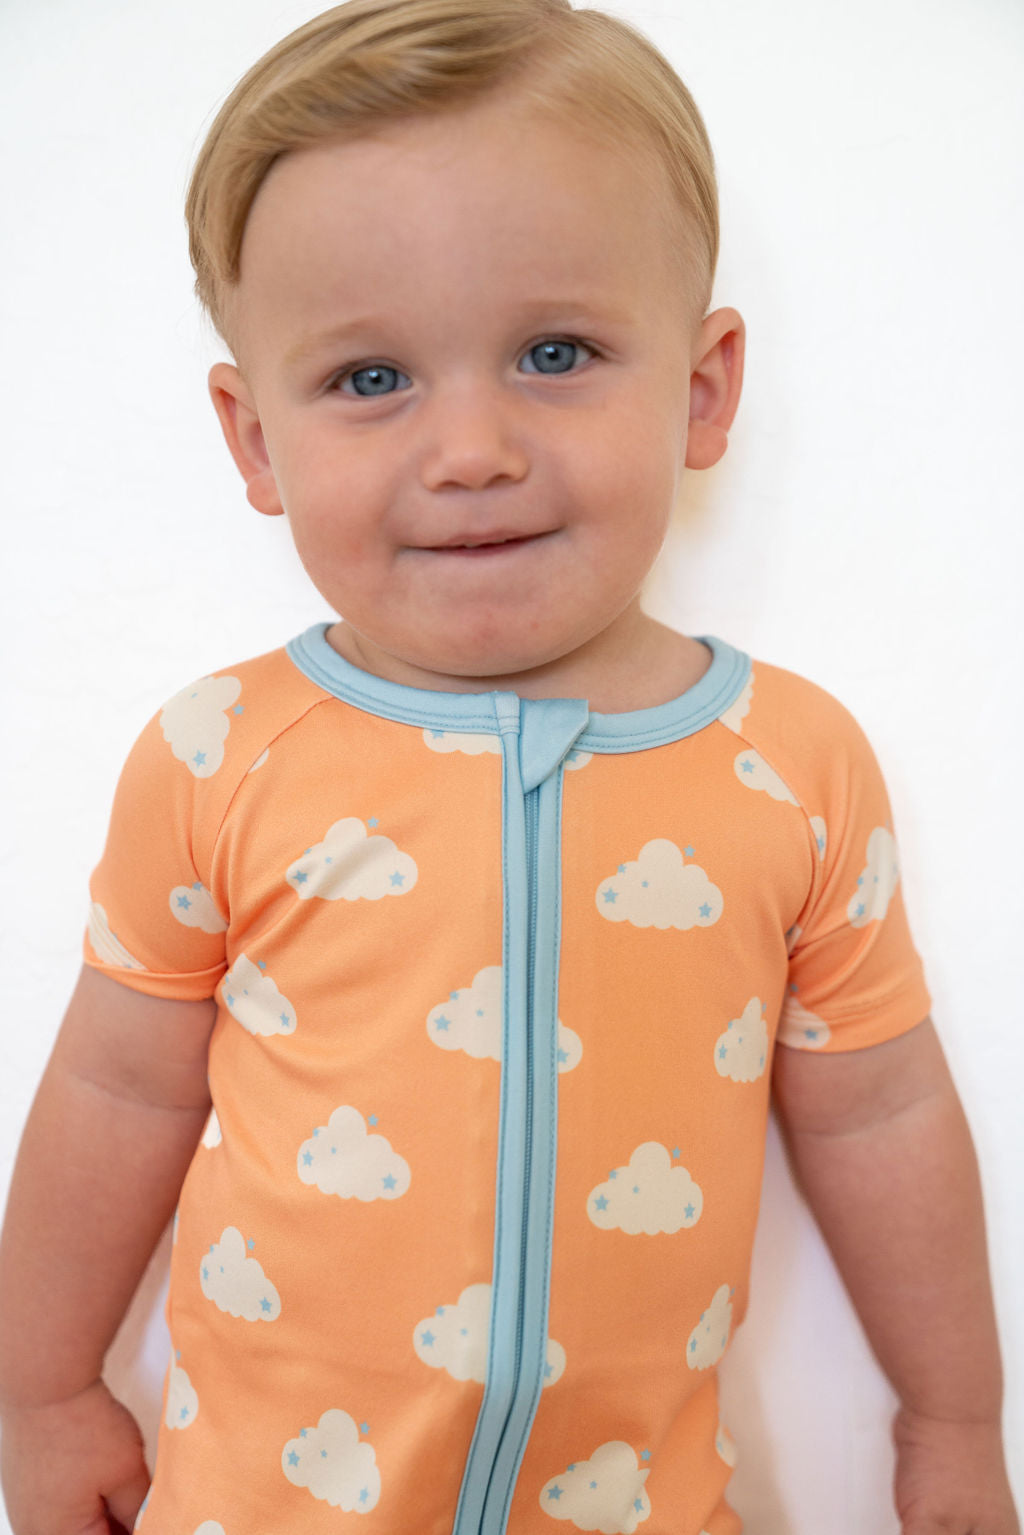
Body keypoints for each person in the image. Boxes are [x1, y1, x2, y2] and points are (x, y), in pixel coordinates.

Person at [0, 0, 1017, 1531]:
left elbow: (877, 1113)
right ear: (254, 439)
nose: (470, 448)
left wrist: (953, 1418)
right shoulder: (220, 754)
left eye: (556, 354)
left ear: (701, 391)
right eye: (369, 380)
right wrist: (39, 1388)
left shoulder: (792, 765)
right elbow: (114, 1088)